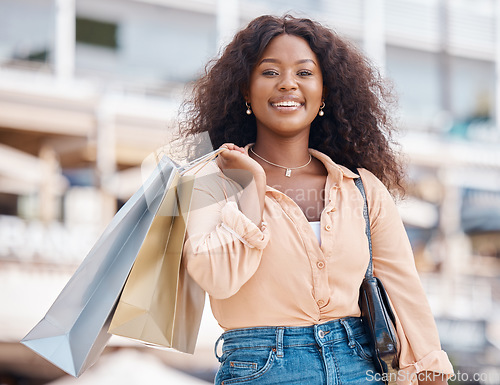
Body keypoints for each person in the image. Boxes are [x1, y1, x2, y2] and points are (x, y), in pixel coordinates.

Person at [178, 14, 454, 385]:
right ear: (245, 90)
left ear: (325, 93)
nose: (288, 84)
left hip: (360, 365)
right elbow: (217, 278)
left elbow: (405, 293)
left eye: (305, 73)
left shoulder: (361, 188)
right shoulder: (210, 181)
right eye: (270, 72)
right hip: (260, 370)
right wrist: (251, 188)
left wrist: (429, 374)